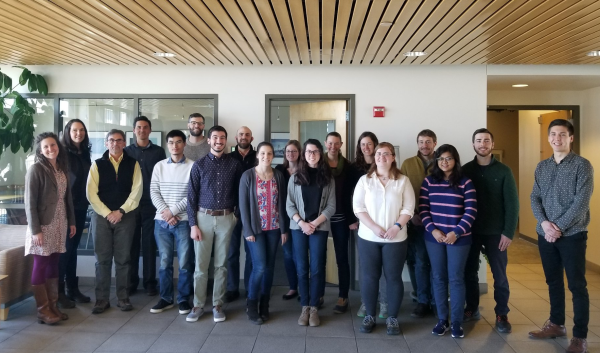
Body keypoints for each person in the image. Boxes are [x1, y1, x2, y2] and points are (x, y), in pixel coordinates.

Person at [528, 119, 593, 353]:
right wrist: (545, 225)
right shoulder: (542, 166)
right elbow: (534, 197)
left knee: (577, 285)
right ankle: (556, 324)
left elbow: (581, 204)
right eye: (553, 134)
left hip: (573, 235)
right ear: (548, 138)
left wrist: (559, 229)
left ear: (571, 138)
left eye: (563, 134)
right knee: (553, 281)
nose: (557, 138)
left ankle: (580, 337)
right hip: (545, 234)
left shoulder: (582, 166)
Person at [353, 142, 415, 335]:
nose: (381, 157)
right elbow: (358, 208)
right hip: (368, 237)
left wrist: (396, 227)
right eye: (378, 154)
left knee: (393, 278)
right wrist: (374, 227)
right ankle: (370, 315)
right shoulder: (365, 180)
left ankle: (392, 318)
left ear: (393, 157)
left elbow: (408, 209)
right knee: (370, 277)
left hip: (395, 239)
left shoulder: (403, 181)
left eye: (386, 154)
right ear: (374, 157)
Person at [462, 128, 518, 333]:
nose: (482, 144)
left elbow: (512, 204)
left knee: (500, 275)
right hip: (471, 230)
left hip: (497, 233)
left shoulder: (504, 171)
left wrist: (508, 232)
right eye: (478, 140)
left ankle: (502, 313)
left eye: (486, 141)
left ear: (492, 145)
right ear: (473, 144)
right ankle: (472, 308)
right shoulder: (465, 170)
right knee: (469, 272)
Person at [419, 144, 477, 339]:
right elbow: (423, 209)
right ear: (436, 161)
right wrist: (433, 230)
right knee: (438, 277)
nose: (444, 162)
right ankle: (442, 319)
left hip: (459, 239)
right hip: (434, 238)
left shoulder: (465, 182)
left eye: (449, 158)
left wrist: (456, 232)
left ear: (455, 160)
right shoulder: (428, 182)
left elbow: (471, 212)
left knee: (456, 278)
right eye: (441, 159)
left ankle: (457, 322)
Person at [187, 125, 243, 323]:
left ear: (226, 141)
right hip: (203, 219)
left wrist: (235, 217)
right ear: (209, 140)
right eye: (215, 138)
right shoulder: (199, 165)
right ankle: (198, 305)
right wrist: (193, 224)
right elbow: (191, 197)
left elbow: (240, 193)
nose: (219, 141)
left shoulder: (234, 164)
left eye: (222, 138)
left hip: (227, 219)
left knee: (221, 265)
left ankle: (217, 304)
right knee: (201, 266)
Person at [87, 129, 142, 314]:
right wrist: (107, 213)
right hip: (101, 217)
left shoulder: (133, 164)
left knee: (123, 259)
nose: (115, 143)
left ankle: (123, 298)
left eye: (119, 140)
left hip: (125, 217)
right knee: (102, 260)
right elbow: (91, 194)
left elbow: (137, 191)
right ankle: (101, 299)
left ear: (124, 143)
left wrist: (121, 211)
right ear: (106, 143)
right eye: (111, 140)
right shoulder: (97, 165)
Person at [25, 132, 76, 324]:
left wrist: (71, 221)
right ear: (40, 150)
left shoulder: (62, 168)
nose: (50, 149)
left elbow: (67, 198)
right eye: (45, 147)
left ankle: (53, 306)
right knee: (41, 264)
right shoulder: (36, 169)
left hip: (60, 222)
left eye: (53, 145)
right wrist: (35, 230)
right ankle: (43, 310)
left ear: (58, 146)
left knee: (54, 263)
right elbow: (30, 203)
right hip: (42, 226)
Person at [286, 139, 335, 327]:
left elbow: (331, 206)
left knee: (316, 268)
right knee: (301, 267)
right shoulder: (295, 177)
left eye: (315, 151)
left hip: (319, 228)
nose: (311, 155)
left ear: (320, 153)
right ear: (303, 154)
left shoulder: (327, 178)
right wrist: (302, 223)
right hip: (298, 228)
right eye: (308, 151)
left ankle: (314, 307)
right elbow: (289, 205)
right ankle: (304, 305)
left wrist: (313, 224)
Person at [239, 142, 289, 324]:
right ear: (257, 155)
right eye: (262, 153)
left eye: (269, 153)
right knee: (259, 267)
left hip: (274, 228)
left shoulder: (278, 176)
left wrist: (284, 229)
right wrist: (248, 230)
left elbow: (282, 205)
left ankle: (264, 305)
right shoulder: (248, 176)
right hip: (256, 231)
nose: (266, 156)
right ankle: (251, 304)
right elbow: (243, 206)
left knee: (269, 268)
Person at [149, 130, 195, 315]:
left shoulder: (193, 166)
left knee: (185, 263)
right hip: (161, 222)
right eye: (171, 142)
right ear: (167, 145)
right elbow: (154, 192)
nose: (174, 146)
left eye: (178, 142)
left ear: (184, 144)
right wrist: (167, 214)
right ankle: (166, 298)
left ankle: (183, 299)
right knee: (165, 262)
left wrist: (173, 211)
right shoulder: (159, 166)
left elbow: (192, 195)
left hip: (183, 221)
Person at [125, 116, 166, 297]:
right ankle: (131, 282)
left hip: (151, 204)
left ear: (150, 130)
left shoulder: (158, 152)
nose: (142, 130)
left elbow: (163, 178)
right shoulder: (126, 151)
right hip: (131, 205)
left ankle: (150, 282)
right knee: (131, 245)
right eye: (139, 127)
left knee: (150, 244)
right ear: (134, 130)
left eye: (145, 127)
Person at [400, 129, 437, 318]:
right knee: (417, 261)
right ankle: (422, 298)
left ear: (435, 144)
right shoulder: (407, 164)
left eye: (428, 142)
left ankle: (431, 300)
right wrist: (413, 214)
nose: (424, 145)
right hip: (413, 221)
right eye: (421, 142)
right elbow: (402, 191)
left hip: (437, 223)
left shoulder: (443, 162)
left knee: (432, 262)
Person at [352, 132, 389, 319]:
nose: (366, 147)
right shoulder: (354, 168)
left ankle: (384, 303)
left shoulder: (387, 168)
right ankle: (367, 303)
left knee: (383, 267)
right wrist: (355, 218)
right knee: (366, 266)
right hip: (363, 224)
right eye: (363, 144)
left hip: (386, 225)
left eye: (369, 144)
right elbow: (352, 197)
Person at [58, 119, 92, 307]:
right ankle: (59, 292)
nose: (78, 133)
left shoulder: (84, 153)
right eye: (74, 130)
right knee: (65, 250)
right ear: (68, 132)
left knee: (73, 250)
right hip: (65, 209)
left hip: (80, 207)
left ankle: (72, 289)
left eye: (81, 130)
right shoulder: (62, 153)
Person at [324, 132, 356, 313]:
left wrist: (352, 218)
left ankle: (343, 295)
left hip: (342, 218)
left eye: (336, 143)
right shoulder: (318, 164)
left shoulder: (349, 167)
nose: (333, 146)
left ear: (341, 144)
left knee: (342, 258)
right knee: (319, 257)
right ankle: (318, 294)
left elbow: (353, 194)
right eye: (330, 143)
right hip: (321, 219)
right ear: (325, 144)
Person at [225, 126, 256, 302]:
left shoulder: (259, 157)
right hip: (233, 212)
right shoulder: (228, 158)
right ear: (236, 137)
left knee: (252, 252)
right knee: (232, 252)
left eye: (247, 135)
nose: (243, 137)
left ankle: (250, 288)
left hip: (253, 212)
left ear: (252, 138)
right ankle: (232, 288)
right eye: (241, 134)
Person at [275, 140, 302, 301]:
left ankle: (304, 287)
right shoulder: (279, 170)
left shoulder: (305, 170)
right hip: (285, 218)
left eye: (294, 151)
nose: (290, 154)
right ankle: (293, 287)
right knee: (288, 254)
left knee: (301, 256)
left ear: (299, 153)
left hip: (303, 218)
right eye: (288, 151)